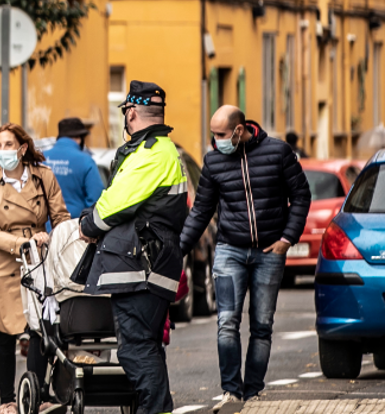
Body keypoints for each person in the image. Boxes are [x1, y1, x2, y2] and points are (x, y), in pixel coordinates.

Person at [180, 106, 311, 410]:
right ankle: (231, 392)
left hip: (269, 252)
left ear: (239, 130)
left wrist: (286, 239)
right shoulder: (213, 161)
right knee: (227, 322)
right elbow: (201, 211)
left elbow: (301, 195)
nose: (216, 141)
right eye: (213, 134)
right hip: (229, 250)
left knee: (262, 325)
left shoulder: (278, 152)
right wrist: (179, 250)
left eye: (221, 135)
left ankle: (252, 392)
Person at [79, 80, 187, 414]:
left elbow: (116, 203)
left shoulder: (151, 152)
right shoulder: (165, 149)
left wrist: (88, 224)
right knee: (149, 347)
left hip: (142, 264)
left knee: (136, 350)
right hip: (155, 260)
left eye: (126, 112)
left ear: (132, 113)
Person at [0, 123, 70, 414]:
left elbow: (62, 218)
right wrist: (23, 242)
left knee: (41, 329)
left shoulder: (43, 177)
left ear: (23, 148)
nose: (3, 151)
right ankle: (7, 400)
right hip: (4, 262)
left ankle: (39, 394)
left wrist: (56, 239)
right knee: (3, 332)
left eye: (8, 144)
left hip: (39, 261)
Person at [43, 117, 104, 218]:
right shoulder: (86, 160)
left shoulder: (41, 158)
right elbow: (96, 199)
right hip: (73, 226)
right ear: (79, 138)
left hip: (43, 227)